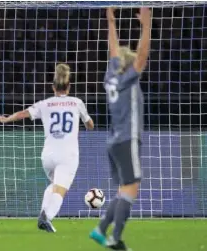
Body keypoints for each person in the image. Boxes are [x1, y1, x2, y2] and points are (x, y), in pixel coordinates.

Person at [0, 63, 94, 232]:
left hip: (48, 154)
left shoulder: (45, 104)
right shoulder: (77, 103)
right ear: (69, 86)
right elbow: (90, 124)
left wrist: (6, 120)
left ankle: (43, 214)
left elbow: (23, 114)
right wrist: (87, 123)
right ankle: (46, 217)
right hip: (67, 155)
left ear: (53, 87)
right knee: (60, 190)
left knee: (54, 185)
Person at [89, 7, 151, 250]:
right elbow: (143, 55)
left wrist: (111, 21)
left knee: (124, 189)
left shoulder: (110, 76)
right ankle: (115, 237)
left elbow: (113, 49)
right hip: (127, 138)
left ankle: (101, 229)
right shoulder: (128, 78)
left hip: (114, 141)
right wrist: (146, 26)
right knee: (131, 188)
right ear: (130, 64)